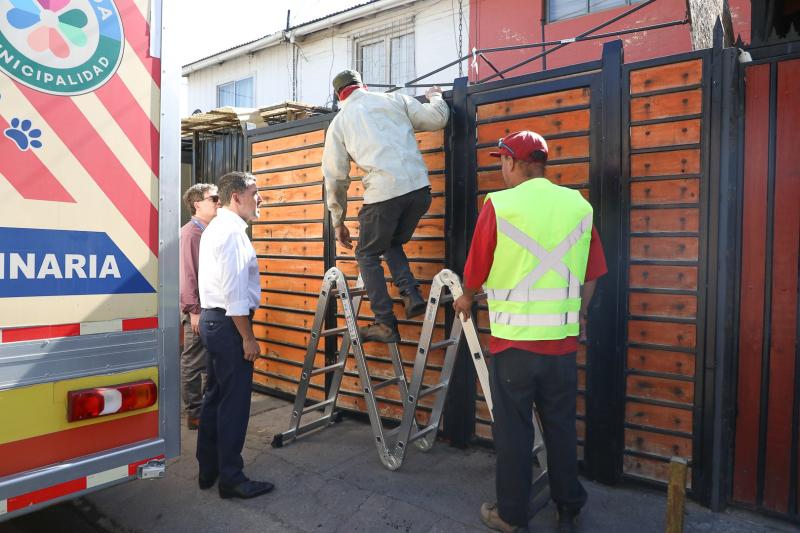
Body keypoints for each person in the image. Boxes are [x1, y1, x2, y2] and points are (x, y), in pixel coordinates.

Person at [453, 131, 607, 533]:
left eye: (501, 161)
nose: (500, 169)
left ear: (512, 162)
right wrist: (580, 314)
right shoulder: (577, 205)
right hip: (561, 345)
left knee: (514, 433)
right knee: (560, 427)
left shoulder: (499, 206)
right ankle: (568, 507)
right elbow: (592, 275)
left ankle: (511, 515)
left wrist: (466, 298)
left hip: (514, 346)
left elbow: (476, 268)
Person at [322, 69, 450, 343]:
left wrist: (338, 220)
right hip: (419, 191)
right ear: (363, 86)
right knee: (389, 241)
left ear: (338, 96)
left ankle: (384, 323)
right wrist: (436, 96)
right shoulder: (394, 100)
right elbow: (437, 118)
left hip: (384, 196)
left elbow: (335, 178)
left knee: (366, 255)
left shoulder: (340, 123)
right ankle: (411, 295)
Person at [196, 171, 273, 499]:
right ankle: (231, 478)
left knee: (214, 396)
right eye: (255, 193)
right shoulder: (231, 233)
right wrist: (248, 337)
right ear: (236, 197)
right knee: (234, 403)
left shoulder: (217, 228)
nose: (260, 199)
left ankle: (208, 467)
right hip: (230, 325)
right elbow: (235, 293)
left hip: (215, 322)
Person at [180, 183, 219, 430]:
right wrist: (194, 311)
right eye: (213, 198)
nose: (218, 201)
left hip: (209, 309)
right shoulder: (191, 234)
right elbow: (188, 275)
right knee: (193, 362)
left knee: (209, 361)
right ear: (197, 204)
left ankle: (206, 406)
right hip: (198, 311)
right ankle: (194, 414)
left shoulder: (207, 231)